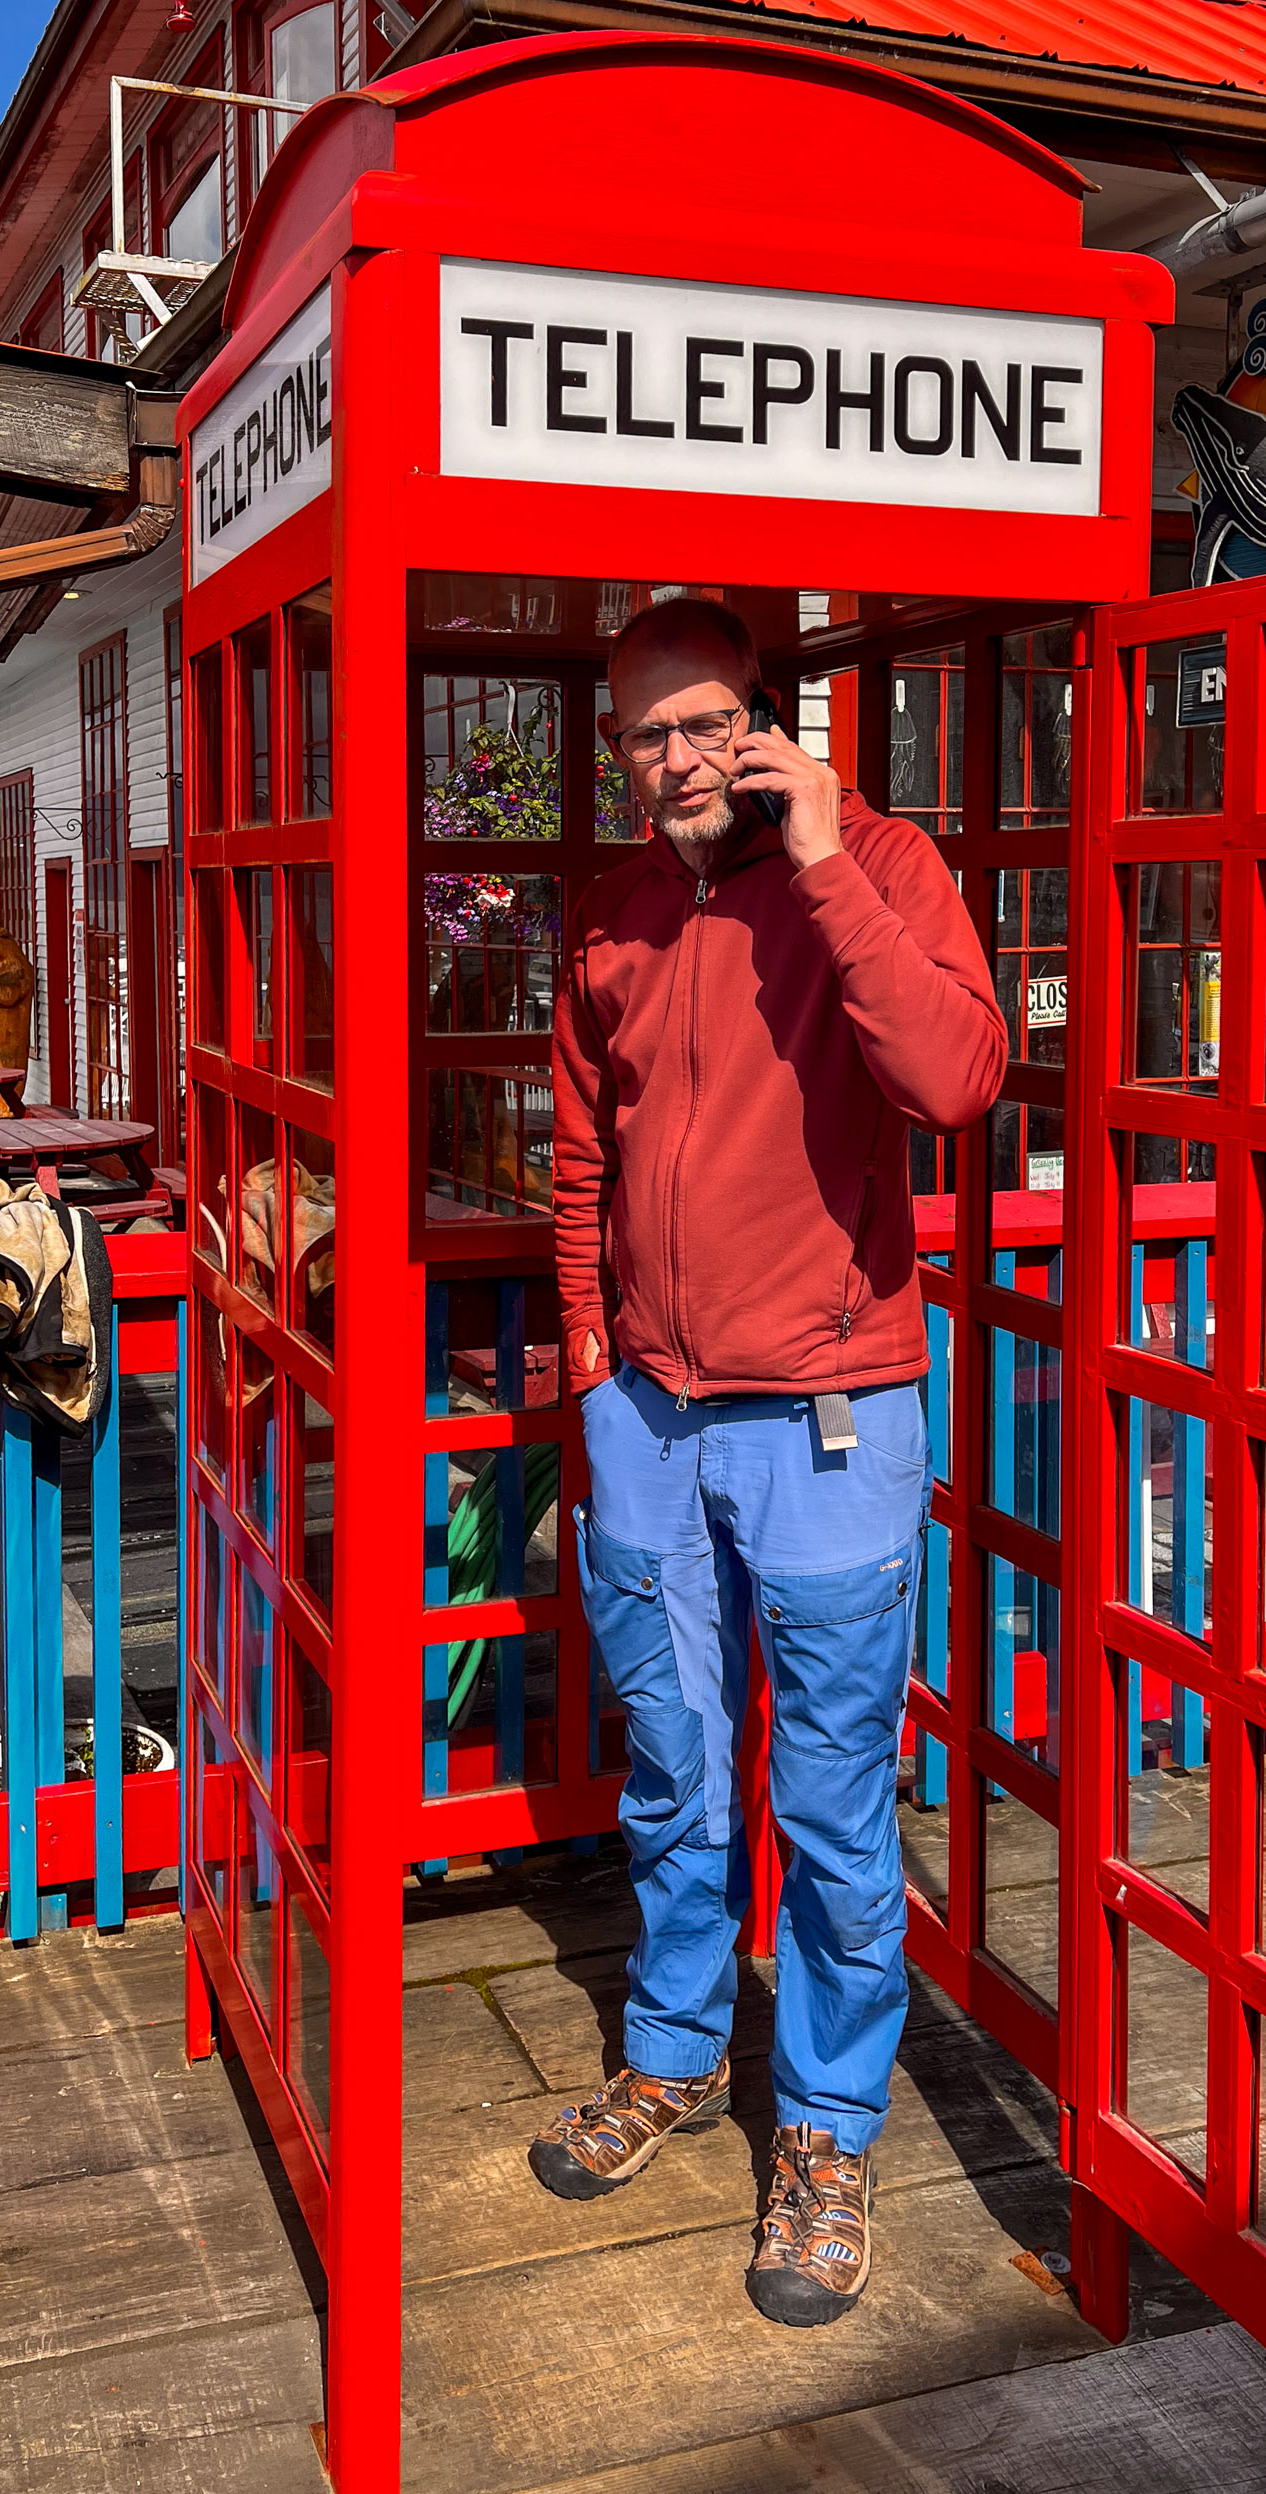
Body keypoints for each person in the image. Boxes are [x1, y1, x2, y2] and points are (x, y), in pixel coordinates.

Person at [532, 596, 1006, 2325]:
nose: (673, 761)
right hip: (649, 1412)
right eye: (644, 734)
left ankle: (821, 2126)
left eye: (704, 724)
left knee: (828, 1792)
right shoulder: (616, 910)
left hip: (831, 1412)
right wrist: (590, 1349)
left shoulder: (880, 862)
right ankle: (670, 2053)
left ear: (771, 725)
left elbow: (954, 1081)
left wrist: (820, 856)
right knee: (670, 1755)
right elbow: (584, 1146)